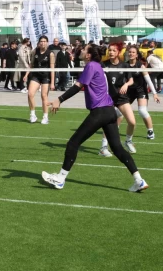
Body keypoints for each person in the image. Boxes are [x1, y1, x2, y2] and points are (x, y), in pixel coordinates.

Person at [41, 44, 149, 192]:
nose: (82, 50)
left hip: (100, 112)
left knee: (73, 143)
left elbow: (77, 86)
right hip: (109, 111)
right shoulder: (99, 66)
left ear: (88, 55)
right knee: (117, 148)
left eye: (85, 49)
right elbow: (111, 91)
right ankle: (139, 180)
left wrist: (59, 99)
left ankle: (60, 179)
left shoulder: (91, 66)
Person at [99, 43, 138, 157]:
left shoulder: (124, 65)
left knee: (132, 122)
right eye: (110, 50)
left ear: (118, 52)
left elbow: (131, 80)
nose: (111, 52)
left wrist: (126, 84)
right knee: (108, 122)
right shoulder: (103, 64)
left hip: (121, 97)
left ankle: (128, 141)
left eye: (114, 50)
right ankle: (103, 148)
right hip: (108, 98)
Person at [126, 46, 160, 140]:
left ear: (137, 55)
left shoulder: (141, 66)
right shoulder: (125, 65)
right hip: (129, 91)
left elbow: (148, 80)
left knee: (142, 111)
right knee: (118, 111)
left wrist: (154, 93)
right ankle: (114, 130)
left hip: (141, 90)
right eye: (130, 52)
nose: (131, 54)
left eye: (133, 52)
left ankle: (150, 131)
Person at [25, 36, 55, 124]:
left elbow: (52, 69)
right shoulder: (35, 51)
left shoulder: (51, 53)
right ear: (39, 43)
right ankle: (32, 115)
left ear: (47, 43)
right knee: (30, 94)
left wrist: (52, 83)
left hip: (46, 77)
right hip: (36, 76)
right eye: (41, 41)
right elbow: (31, 64)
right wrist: (26, 74)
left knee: (44, 96)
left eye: (44, 41)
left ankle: (45, 117)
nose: (43, 43)